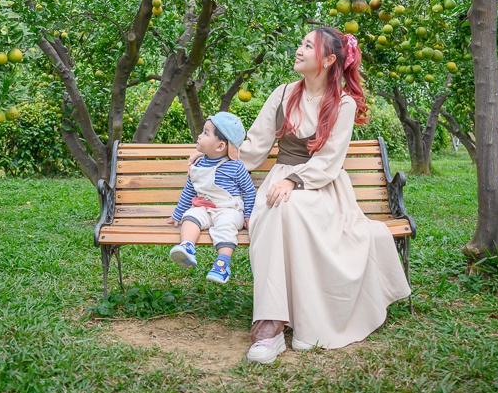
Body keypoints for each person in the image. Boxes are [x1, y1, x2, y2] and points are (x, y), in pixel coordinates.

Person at [238, 27, 412, 364]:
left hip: (321, 186)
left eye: (307, 46)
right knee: (277, 207)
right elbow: (255, 147)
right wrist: (215, 158)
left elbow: (330, 160)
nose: (299, 49)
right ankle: (270, 328)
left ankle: (301, 321)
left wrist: (294, 181)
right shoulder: (283, 93)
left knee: (286, 207)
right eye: (300, 42)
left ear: (329, 59)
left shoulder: (343, 104)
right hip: (279, 182)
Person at [167, 112, 255, 284]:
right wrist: (177, 214)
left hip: (229, 209)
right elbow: (189, 190)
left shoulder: (236, 167)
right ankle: (187, 247)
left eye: (206, 133)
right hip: (204, 206)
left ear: (220, 146)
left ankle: (222, 264)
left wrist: (248, 215)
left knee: (226, 227)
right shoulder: (199, 164)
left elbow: (249, 191)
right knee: (191, 217)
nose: (199, 136)